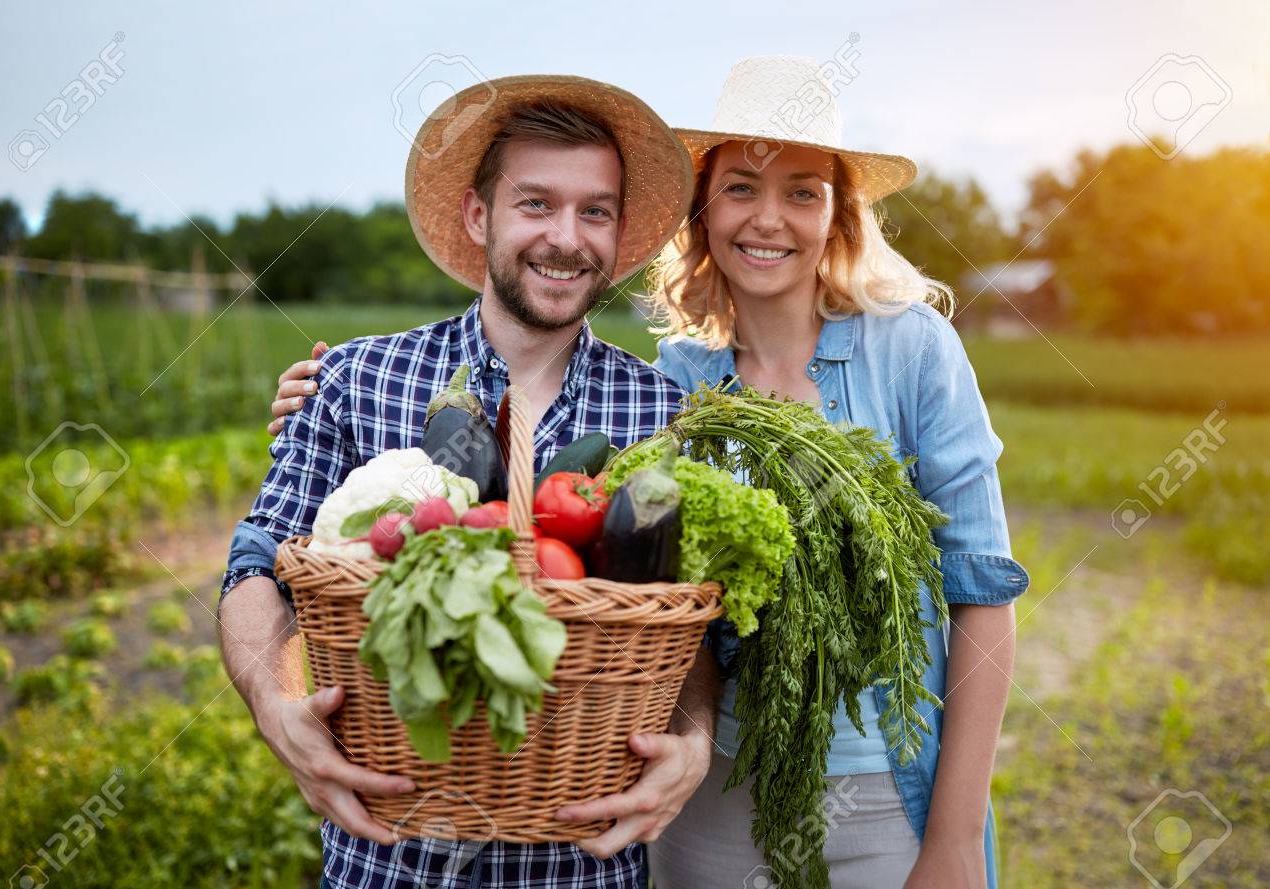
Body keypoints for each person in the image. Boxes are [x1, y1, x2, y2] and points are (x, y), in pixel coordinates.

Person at [271, 57, 1030, 889]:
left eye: (803, 191)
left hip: (888, 786)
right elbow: (665, 600)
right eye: (741, 187)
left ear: (837, 215)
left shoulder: (912, 350)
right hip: (712, 793)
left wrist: (955, 840)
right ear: (704, 210)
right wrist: (322, 394)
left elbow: (981, 589)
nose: (768, 219)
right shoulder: (677, 384)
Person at [218, 74, 721, 889]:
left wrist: (694, 738)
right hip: (389, 857)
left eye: (594, 210)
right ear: (478, 215)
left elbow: (693, 620)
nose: (567, 236)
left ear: (619, 231)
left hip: (582, 865)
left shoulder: (669, 415)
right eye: (535, 204)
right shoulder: (353, 379)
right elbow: (255, 563)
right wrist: (276, 708)